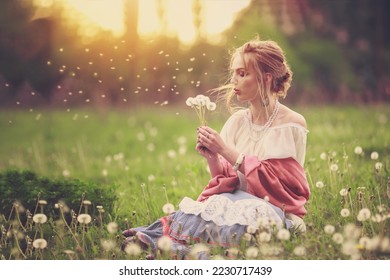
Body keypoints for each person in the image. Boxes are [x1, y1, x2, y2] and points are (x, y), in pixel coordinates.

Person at [122, 38, 310, 259]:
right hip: (237, 200)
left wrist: (225, 150)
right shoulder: (238, 121)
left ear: (266, 78)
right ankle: (166, 245)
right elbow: (229, 180)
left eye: (242, 73)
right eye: (234, 73)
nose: (234, 80)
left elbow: (278, 188)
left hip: (275, 210)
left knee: (242, 217)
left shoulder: (290, 124)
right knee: (213, 205)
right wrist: (213, 157)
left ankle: (182, 253)